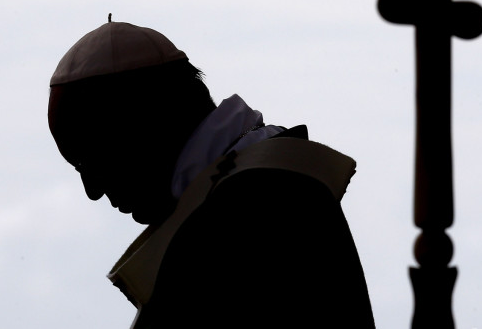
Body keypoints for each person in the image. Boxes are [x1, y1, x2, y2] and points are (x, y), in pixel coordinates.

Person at [48, 19, 375, 328]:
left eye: (91, 161)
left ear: (145, 125)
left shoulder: (251, 207)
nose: (92, 190)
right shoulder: (259, 188)